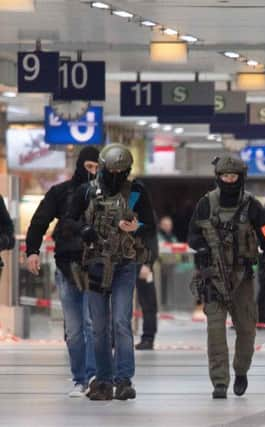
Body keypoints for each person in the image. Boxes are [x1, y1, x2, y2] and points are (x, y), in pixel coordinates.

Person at [67, 143, 156, 401]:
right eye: (112, 170)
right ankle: (103, 380)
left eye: (122, 171)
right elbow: (69, 221)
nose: (116, 175)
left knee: (120, 321)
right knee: (98, 326)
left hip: (125, 265)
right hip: (94, 264)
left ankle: (124, 378)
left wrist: (135, 227)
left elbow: (148, 223)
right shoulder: (87, 191)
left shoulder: (137, 190)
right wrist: (84, 230)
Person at [188, 155, 265, 400]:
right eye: (225, 176)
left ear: (241, 177)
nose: (229, 180)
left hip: (243, 279)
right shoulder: (206, 203)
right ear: (218, 177)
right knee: (215, 332)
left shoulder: (252, 206)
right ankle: (219, 382)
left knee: (247, 331)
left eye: (233, 177)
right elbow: (192, 236)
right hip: (214, 278)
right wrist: (204, 249)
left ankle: (240, 370)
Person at [25, 146, 98, 397]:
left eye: (97, 168)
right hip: (67, 267)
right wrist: (32, 251)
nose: (93, 172)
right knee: (74, 330)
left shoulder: (103, 194)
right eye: (89, 167)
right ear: (80, 166)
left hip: (95, 267)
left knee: (90, 324)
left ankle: (92, 377)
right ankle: (79, 378)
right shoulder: (61, 192)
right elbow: (39, 221)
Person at [135, 231, 159, 350]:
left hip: (143, 265)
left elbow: (152, 243)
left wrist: (147, 264)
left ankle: (148, 338)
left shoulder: (146, 215)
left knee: (149, 303)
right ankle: (113, 337)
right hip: (123, 263)